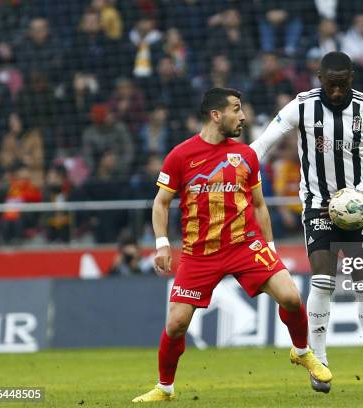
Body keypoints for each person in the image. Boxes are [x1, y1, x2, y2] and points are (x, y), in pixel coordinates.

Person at [132, 88, 331, 402]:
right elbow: (160, 203)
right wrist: (161, 244)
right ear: (216, 115)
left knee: (291, 297)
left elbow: (260, 206)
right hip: (200, 253)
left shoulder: (245, 155)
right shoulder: (181, 156)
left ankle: (303, 352)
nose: (243, 116)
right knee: (176, 324)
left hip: (244, 245)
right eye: (236, 110)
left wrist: (270, 248)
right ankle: (165, 388)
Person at [250, 52, 363, 393]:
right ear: (318, 78)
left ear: (352, 79)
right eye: (331, 85)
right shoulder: (301, 106)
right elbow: (262, 145)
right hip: (317, 205)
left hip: (359, 208)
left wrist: (360, 190)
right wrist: (234, 166)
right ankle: (320, 361)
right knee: (323, 281)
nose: (337, 92)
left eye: (343, 84)